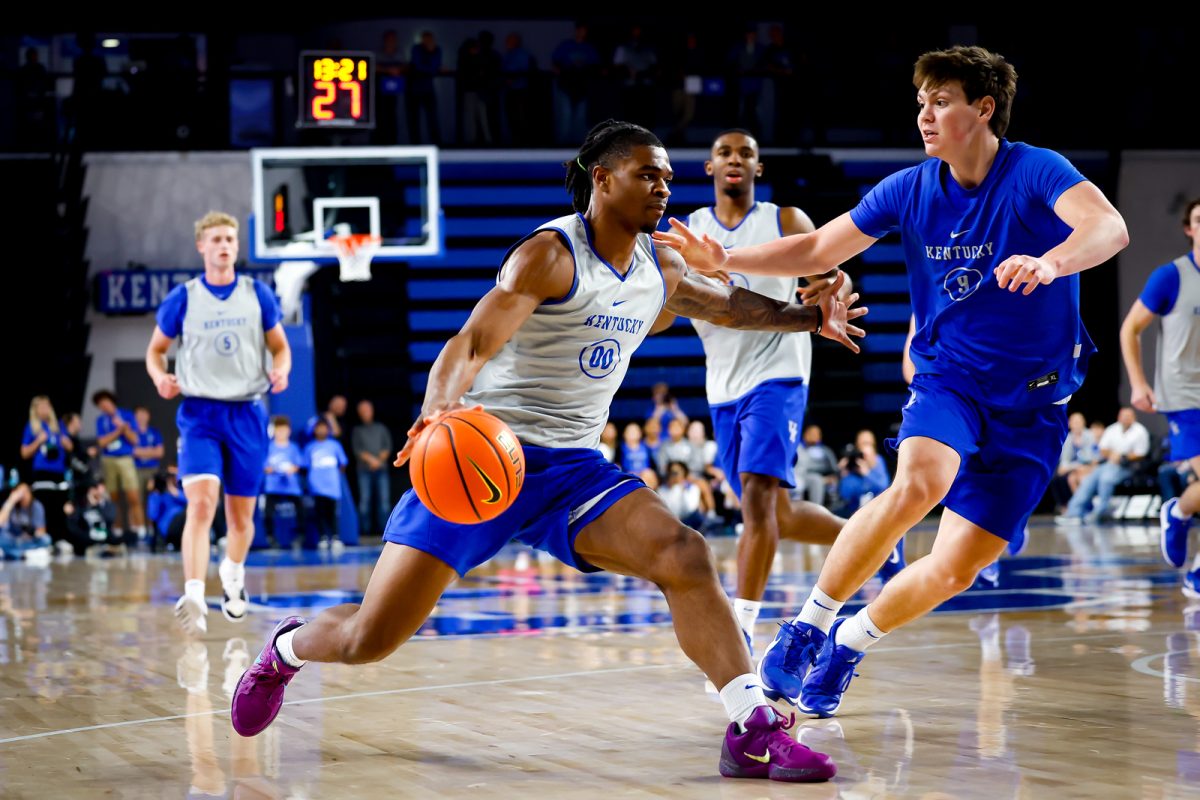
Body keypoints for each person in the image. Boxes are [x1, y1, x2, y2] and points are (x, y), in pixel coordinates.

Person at [232, 120, 866, 782]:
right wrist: (434, 411)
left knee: (683, 553)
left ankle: (750, 729)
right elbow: (470, 345)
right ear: (603, 178)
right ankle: (285, 650)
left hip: (572, 470)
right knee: (370, 639)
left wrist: (807, 318)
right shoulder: (549, 254)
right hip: (484, 458)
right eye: (648, 174)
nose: (664, 188)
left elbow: (730, 305)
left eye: (668, 178)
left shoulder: (661, 263)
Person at [655, 46, 1128, 715]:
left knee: (958, 567)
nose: (925, 116)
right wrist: (725, 257)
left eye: (940, 101)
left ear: (984, 107)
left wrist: (1053, 262)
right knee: (919, 482)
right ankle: (806, 628)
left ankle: (850, 639)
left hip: (1036, 405)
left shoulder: (1034, 171)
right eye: (920, 103)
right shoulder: (908, 189)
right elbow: (820, 248)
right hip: (952, 379)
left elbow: (1109, 226)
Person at [665, 128, 858, 655]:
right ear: (709, 168)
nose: (734, 159)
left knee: (754, 499)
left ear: (758, 168)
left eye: (745, 153)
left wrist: (833, 286)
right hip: (722, 382)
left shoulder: (785, 219)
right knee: (779, 515)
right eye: (724, 152)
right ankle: (873, 541)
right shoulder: (688, 230)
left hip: (779, 370)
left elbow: (835, 277)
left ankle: (742, 629)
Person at [146, 210, 292, 634]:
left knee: (241, 519)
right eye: (216, 239)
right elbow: (155, 350)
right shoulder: (184, 297)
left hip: (246, 412)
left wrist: (281, 369)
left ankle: (233, 572)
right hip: (199, 414)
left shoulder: (257, 294)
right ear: (201, 246)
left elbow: (280, 347)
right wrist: (160, 377)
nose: (224, 245)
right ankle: (193, 593)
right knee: (202, 503)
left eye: (230, 238)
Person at [1122, 198, 1200, 596]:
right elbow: (1130, 329)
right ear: (1189, 228)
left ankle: (1179, 511)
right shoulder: (1171, 277)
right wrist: (1138, 383)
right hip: (1185, 397)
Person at [1055, 408, 1150, 525]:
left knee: (1106, 480)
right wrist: (1112, 454)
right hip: (1109, 464)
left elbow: (1141, 454)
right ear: (1119, 417)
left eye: (1128, 416)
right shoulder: (1112, 429)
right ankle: (1073, 513)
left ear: (1134, 418)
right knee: (1089, 480)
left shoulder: (1140, 431)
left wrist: (1122, 456)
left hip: (1128, 466)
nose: (1125, 418)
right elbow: (1103, 449)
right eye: (1123, 416)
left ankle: (1098, 513)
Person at [21, 395, 73, 547]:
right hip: (42, 473)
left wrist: (65, 442)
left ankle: (60, 539)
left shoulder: (58, 426)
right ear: (35, 410)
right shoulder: (31, 426)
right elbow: (24, 453)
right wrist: (38, 441)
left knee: (60, 505)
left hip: (59, 472)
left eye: (47, 406)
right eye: (41, 406)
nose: (45, 409)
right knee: (45, 505)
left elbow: (70, 447)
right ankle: (46, 540)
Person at [92, 389, 144, 542]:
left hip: (125, 458)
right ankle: (117, 529)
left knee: (133, 496)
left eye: (105, 402)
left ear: (111, 401)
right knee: (113, 498)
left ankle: (139, 529)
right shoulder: (101, 420)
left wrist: (124, 427)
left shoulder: (126, 415)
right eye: (100, 405)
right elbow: (101, 442)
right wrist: (118, 431)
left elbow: (135, 440)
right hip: (108, 459)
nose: (104, 406)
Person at [304, 419, 347, 551]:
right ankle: (322, 537)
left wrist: (333, 477)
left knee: (333, 513)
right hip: (317, 487)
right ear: (314, 430)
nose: (321, 430)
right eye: (318, 428)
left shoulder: (335, 445)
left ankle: (335, 537)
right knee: (320, 513)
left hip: (332, 487)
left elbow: (343, 463)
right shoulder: (310, 447)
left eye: (324, 428)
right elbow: (305, 465)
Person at [352, 400, 393, 537]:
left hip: (381, 470)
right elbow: (358, 450)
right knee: (365, 501)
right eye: (362, 411)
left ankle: (387, 533)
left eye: (367, 410)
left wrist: (378, 461)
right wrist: (371, 461)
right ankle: (365, 532)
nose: (365, 413)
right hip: (364, 470)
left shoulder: (381, 428)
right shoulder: (357, 430)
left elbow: (387, 447)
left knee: (384, 502)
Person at [263, 416, 304, 548]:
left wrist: (292, 469)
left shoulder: (293, 448)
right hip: (273, 487)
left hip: (291, 487)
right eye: (279, 430)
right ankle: (271, 538)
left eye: (284, 430)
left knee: (301, 510)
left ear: (289, 431)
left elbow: (298, 465)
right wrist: (274, 469)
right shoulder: (268, 447)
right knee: (268, 512)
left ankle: (299, 537)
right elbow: (265, 467)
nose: (281, 433)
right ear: (274, 431)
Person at [0, 484, 51, 562]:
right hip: (13, 539)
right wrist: (11, 500)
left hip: (29, 540)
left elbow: (42, 531)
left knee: (46, 539)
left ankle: (16, 554)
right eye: (21, 493)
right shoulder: (12, 505)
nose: (24, 495)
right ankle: (24, 554)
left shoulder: (36, 506)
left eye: (26, 492)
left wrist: (32, 532)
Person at [133, 406, 165, 496]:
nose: (142, 417)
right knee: (136, 499)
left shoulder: (154, 432)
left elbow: (160, 452)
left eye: (144, 414)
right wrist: (150, 451)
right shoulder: (131, 433)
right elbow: (132, 452)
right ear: (134, 416)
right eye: (139, 414)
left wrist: (140, 451)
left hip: (153, 470)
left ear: (148, 416)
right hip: (136, 470)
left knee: (154, 497)